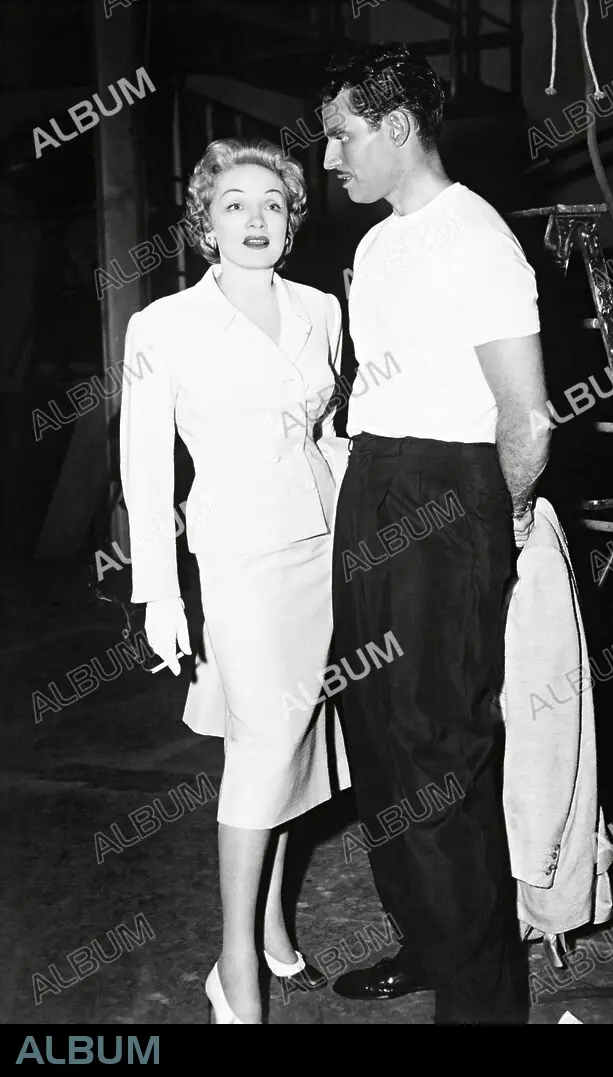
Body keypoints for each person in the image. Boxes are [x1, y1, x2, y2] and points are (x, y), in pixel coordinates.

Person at [321, 44, 552, 1025]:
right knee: (376, 733)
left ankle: (479, 1002)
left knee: (437, 749)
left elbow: (526, 416)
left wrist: (499, 523)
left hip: (449, 494)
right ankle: (426, 938)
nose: (329, 157)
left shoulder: (479, 239)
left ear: (398, 126)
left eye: (342, 135)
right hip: (373, 480)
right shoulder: (378, 245)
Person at [119, 138, 350, 1025]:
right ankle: (234, 962)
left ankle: (275, 924)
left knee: (300, 737)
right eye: (234, 204)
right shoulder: (164, 325)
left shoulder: (322, 309)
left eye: (273, 204)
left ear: (292, 222)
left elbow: (330, 433)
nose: (256, 220)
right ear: (204, 224)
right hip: (240, 560)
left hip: (324, 546)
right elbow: (146, 468)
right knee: (263, 744)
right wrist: (159, 591)